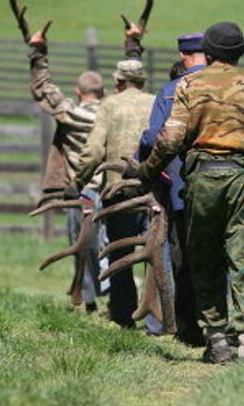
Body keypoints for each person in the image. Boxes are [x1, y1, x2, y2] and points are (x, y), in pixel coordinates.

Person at [129, 22, 244, 363]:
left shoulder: (189, 84)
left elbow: (170, 139)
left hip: (203, 181)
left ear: (207, 52)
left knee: (204, 258)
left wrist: (146, 173)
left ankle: (216, 340)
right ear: (240, 53)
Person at [71, 22, 156, 329]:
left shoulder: (109, 105)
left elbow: (93, 151)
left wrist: (78, 181)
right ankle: (157, 320)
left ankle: (123, 314)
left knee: (121, 252)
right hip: (152, 189)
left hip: (118, 191)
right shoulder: (156, 102)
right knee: (155, 253)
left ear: (118, 81)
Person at [28, 28, 107, 312]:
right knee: (107, 245)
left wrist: (39, 55)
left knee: (79, 245)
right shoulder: (113, 112)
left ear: (78, 92)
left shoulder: (72, 114)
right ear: (103, 91)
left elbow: (45, 91)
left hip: (80, 192)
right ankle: (112, 297)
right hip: (110, 191)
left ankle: (88, 300)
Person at [137, 33, 208, 346]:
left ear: (183, 55)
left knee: (185, 258)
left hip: (184, 187)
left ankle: (189, 327)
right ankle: (231, 324)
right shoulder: (237, 83)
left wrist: (144, 158)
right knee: (226, 254)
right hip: (234, 186)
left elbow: (155, 139)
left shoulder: (171, 91)